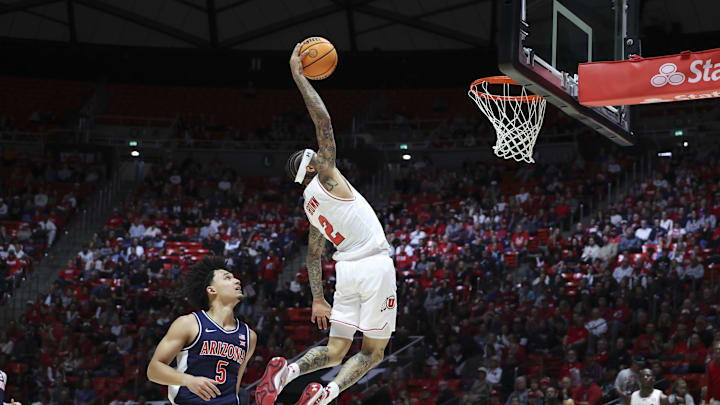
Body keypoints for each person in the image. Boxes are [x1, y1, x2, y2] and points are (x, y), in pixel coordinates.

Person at [255, 43, 397, 405]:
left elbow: (313, 255)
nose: (321, 153)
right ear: (314, 167)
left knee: (335, 352)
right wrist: (298, 77)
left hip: (346, 272)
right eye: (316, 155)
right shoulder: (328, 177)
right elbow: (324, 121)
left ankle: (287, 372)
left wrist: (318, 298)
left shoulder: (311, 206)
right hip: (374, 266)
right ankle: (327, 394)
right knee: (373, 352)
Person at [147, 256, 256, 405]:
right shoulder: (189, 324)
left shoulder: (249, 336)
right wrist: (188, 380)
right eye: (227, 278)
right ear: (211, 290)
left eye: (235, 278)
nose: (237, 281)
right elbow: (153, 370)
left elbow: (234, 387)